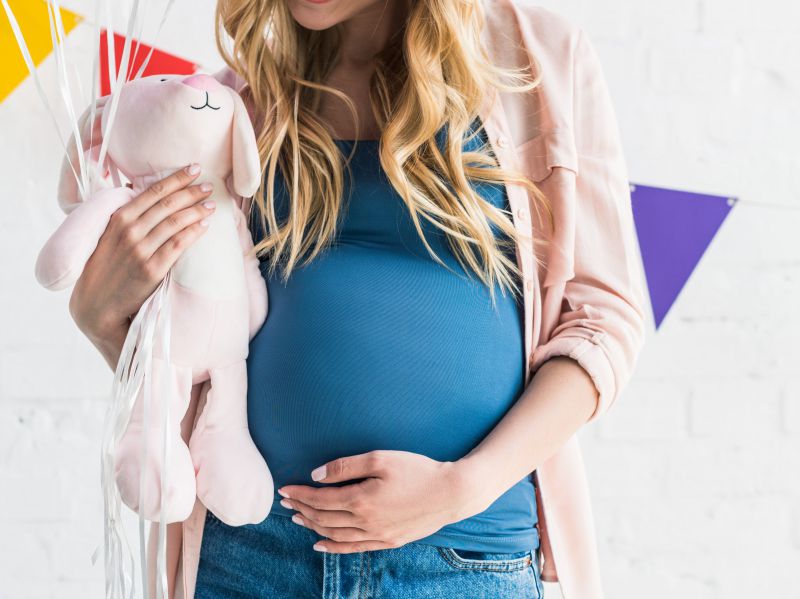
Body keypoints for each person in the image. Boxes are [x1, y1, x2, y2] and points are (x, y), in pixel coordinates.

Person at [69, 0, 646, 597]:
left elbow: (603, 322)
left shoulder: (539, 61)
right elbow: (197, 358)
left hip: (461, 562)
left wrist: (462, 489)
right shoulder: (232, 108)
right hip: (247, 557)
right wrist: (104, 323)